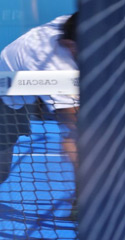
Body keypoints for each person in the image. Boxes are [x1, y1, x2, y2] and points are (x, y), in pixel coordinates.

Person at [0, 13, 79, 184]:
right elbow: (72, 128)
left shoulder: (70, 24)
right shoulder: (55, 68)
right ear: (69, 44)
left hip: (21, 93)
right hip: (4, 99)